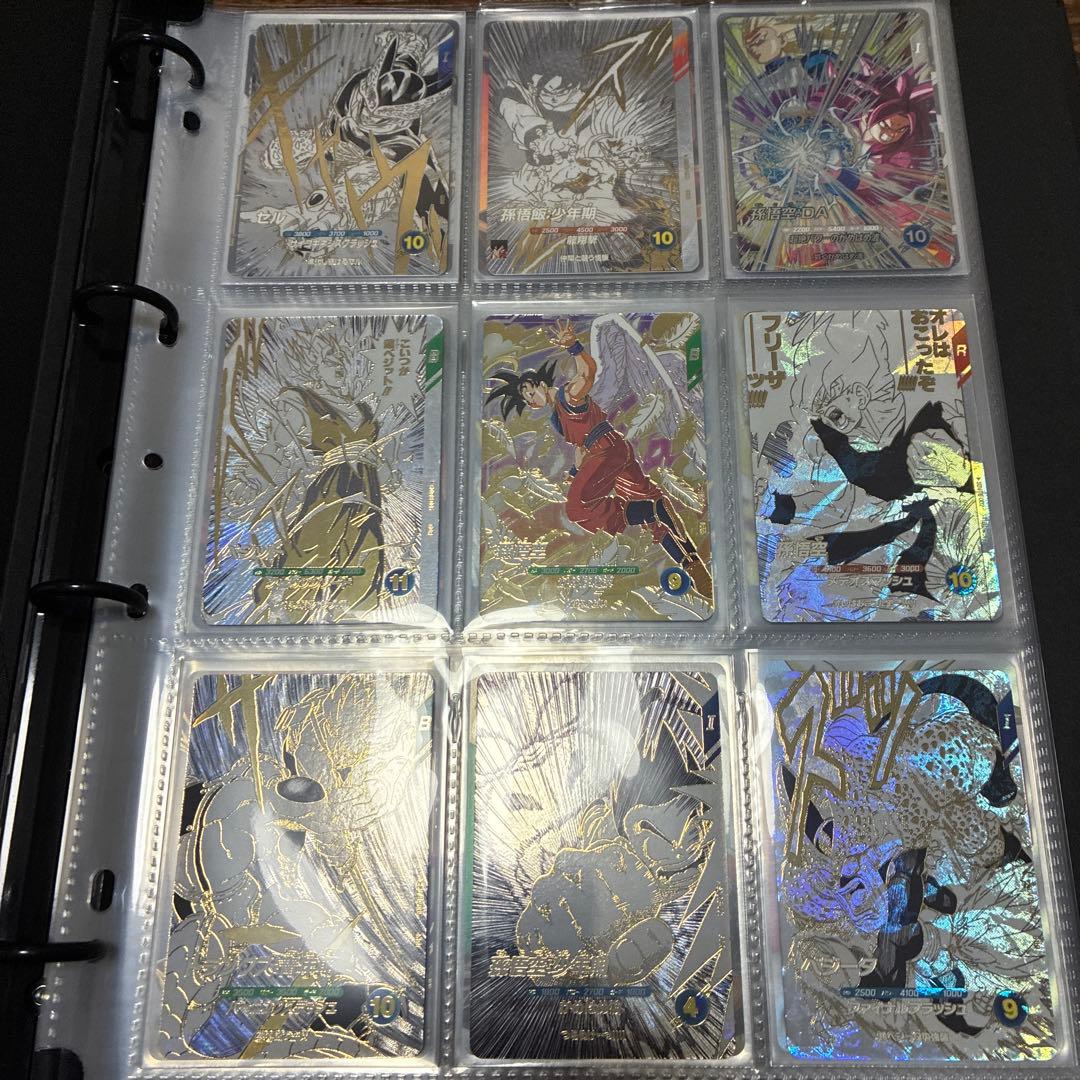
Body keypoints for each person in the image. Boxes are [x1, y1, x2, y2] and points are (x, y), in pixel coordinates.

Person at [486, 319, 712, 598]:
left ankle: (652, 511)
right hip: (611, 452)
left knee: (578, 508)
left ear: (541, 384)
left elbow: (588, 372)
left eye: (531, 392)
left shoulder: (569, 395)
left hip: (605, 451)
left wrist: (573, 346)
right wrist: (575, 470)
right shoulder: (558, 413)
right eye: (527, 400)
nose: (531, 400)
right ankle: (691, 562)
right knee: (651, 513)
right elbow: (580, 449)